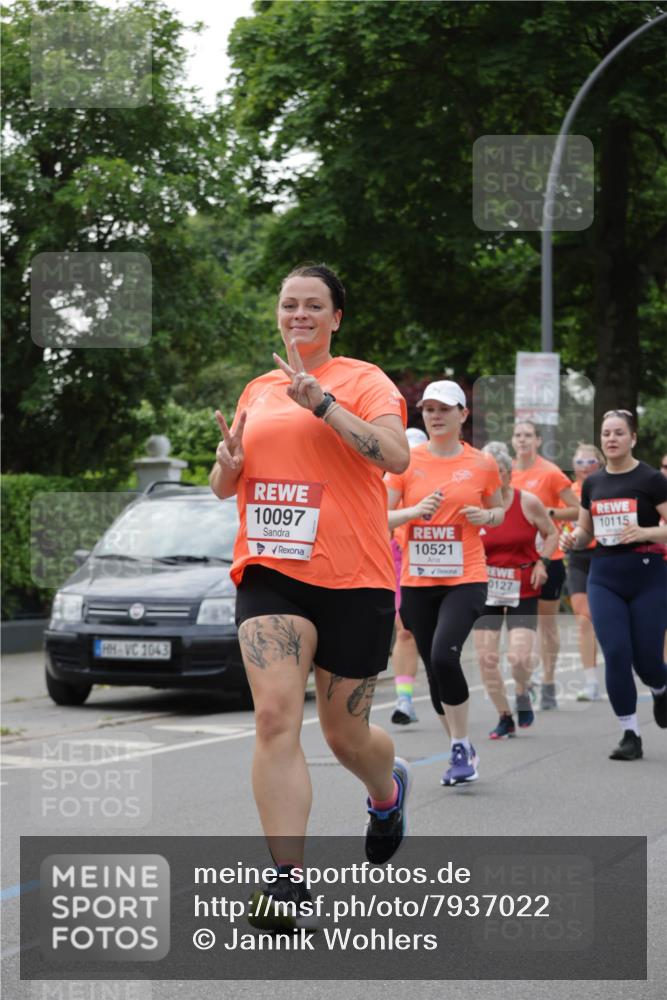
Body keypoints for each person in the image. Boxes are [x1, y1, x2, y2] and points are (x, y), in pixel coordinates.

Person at [209, 263, 411, 928]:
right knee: (273, 718)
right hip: (271, 570)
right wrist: (228, 466)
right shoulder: (258, 388)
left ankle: (385, 792)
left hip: (354, 575)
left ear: (335, 318)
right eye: (289, 304)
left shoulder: (364, 380)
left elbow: (393, 458)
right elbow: (222, 486)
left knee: (343, 733)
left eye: (313, 305)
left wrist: (321, 404)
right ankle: (286, 880)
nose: (299, 313)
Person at [386, 381, 504, 785]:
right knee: (435, 674)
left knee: (443, 656)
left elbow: (499, 509)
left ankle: (458, 747)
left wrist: (486, 518)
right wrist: (415, 511)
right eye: (429, 409)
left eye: (444, 409)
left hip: (465, 578)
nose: (435, 416)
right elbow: (378, 518)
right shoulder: (405, 462)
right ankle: (461, 746)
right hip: (417, 581)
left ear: (462, 416)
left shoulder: (482, 464)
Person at [562, 410, 667, 761]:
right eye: (606, 433)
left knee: (648, 660)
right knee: (618, 654)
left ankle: (661, 687)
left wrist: (647, 532)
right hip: (604, 575)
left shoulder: (651, 479)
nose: (611, 439)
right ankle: (630, 733)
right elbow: (585, 530)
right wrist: (572, 539)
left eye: (619, 433)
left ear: (632, 438)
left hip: (648, 575)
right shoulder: (593, 482)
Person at [473, 442, 558, 738]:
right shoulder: (476, 507)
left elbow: (551, 534)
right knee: (487, 657)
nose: (494, 481)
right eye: (488, 475)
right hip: (486, 588)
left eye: (500, 473)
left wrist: (542, 563)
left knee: (519, 657)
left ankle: (522, 689)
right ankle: (504, 715)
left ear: (509, 473)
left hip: (522, 586)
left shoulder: (528, 502)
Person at [510, 421, 580, 710]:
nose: (523, 440)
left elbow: (577, 509)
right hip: (515, 562)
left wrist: (548, 511)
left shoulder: (550, 473)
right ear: (513, 440)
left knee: (546, 624)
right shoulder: (506, 472)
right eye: (518, 435)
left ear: (538, 440)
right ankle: (523, 686)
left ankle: (548, 680)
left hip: (548, 559)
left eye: (528, 435)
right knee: (520, 627)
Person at [390, 427, 428, 725]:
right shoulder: (388, 481)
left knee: (431, 633)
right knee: (404, 630)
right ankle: (404, 700)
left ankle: (443, 684)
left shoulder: (433, 479)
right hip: (398, 557)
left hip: (434, 558)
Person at [564, 443, 605, 701]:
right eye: (579, 462)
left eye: (590, 462)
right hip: (578, 556)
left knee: (608, 617)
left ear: (599, 464)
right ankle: (590, 681)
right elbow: (559, 518)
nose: (585, 467)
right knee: (584, 618)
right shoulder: (568, 492)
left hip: (605, 554)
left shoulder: (607, 486)